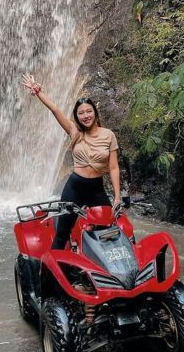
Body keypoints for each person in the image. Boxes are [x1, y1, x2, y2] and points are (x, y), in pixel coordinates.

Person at [21, 73, 122, 250]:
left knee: (108, 228)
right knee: (62, 232)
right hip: (75, 187)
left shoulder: (108, 135)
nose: (86, 116)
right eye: (81, 113)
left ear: (95, 113)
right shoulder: (74, 131)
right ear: (77, 116)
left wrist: (118, 196)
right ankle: (49, 275)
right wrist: (38, 92)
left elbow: (113, 167)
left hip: (96, 188)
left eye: (89, 111)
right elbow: (55, 110)